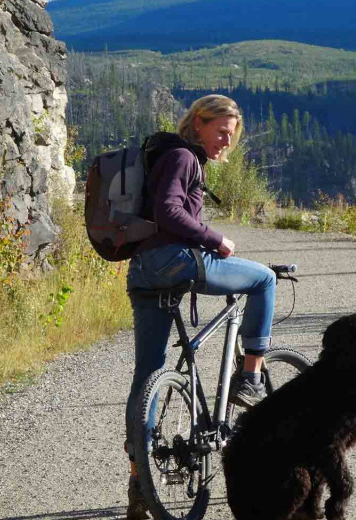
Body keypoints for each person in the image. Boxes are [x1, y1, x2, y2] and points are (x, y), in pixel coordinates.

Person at [124, 94, 277, 519]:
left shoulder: (165, 154)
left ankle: (140, 481)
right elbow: (169, 210)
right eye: (220, 131)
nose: (226, 141)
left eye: (232, 135)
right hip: (175, 261)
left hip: (143, 271)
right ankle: (250, 377)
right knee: (263, 278)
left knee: (150, 375)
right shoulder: (183, 157)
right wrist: (215, 239)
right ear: (198, 123)